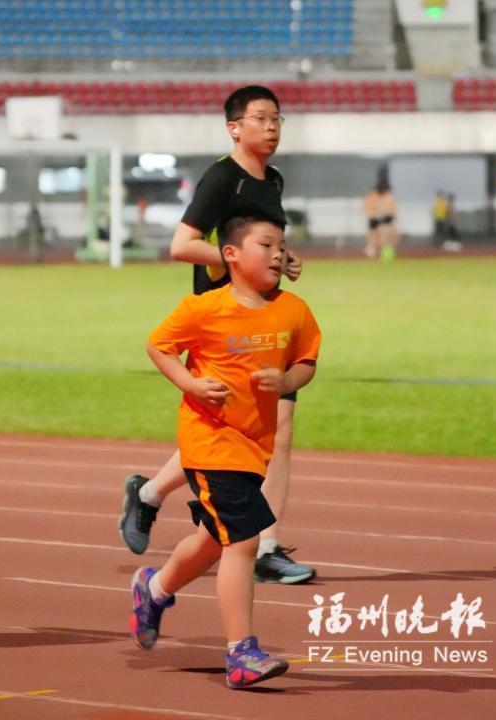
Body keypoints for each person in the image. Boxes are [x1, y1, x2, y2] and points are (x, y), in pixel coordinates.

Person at [119, 84, 315, 585]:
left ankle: (251, 537)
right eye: (260, 119)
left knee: (270, 429)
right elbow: (182, 245)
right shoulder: (220, 179)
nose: (271, 128)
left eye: (277, 120)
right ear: (235, 127)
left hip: (265, 317)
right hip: (223, 320)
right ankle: (250, 539)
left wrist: (280, 256)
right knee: (228, 430)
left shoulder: (272, 179)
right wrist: (239, 260)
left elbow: (262, 238)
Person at [131, 207, 321, 689]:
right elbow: (158, 344)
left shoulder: (293, 310)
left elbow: (307, 362)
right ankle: (242, 653)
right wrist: (191, 385)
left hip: (251, 446)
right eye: (266, 245)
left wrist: (286, 381)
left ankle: (154, 589)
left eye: (282, 246)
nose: (278, 254)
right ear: (231, 255)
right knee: (244, 539)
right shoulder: (205, 309)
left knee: (216, 540)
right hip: (209, 442)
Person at [362, 179, 398, 260]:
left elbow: (391, 211)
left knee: (386, 239)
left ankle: (386, 255)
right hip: (374, 221)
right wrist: (374, 215)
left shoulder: (389, 197)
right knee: (372, 240)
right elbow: (367, 209)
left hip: (386, 222)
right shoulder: (371, 197)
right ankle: (371, 256)